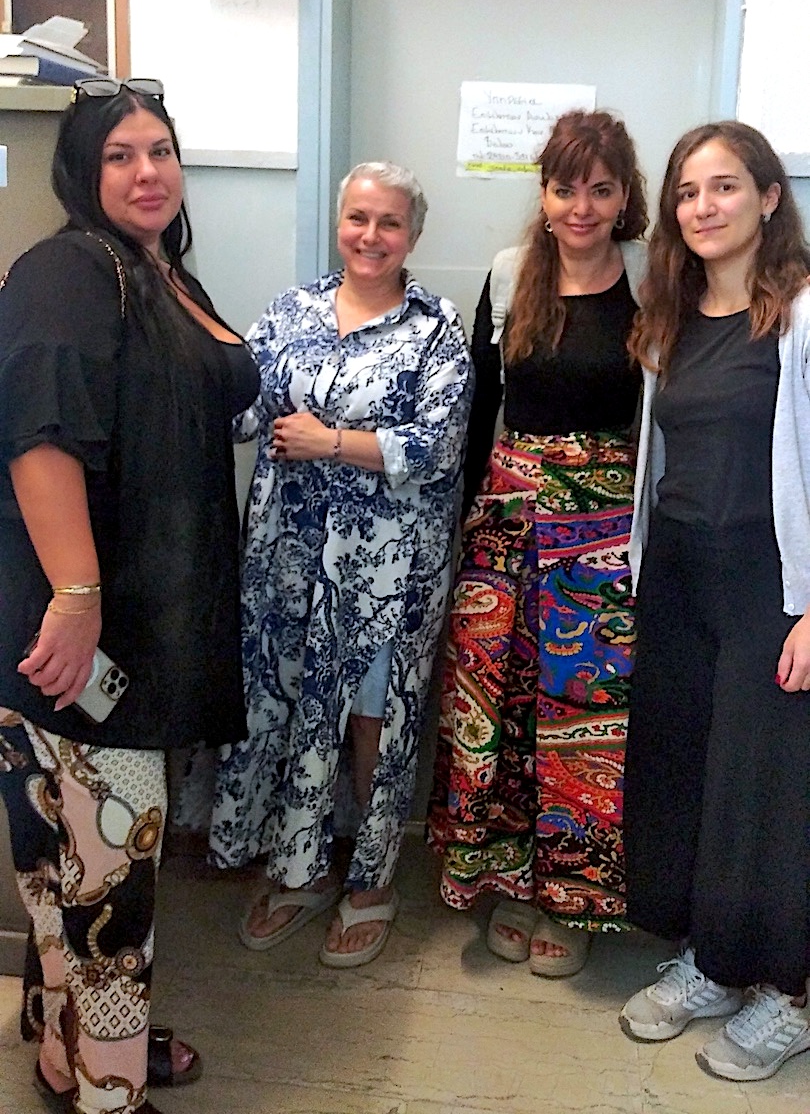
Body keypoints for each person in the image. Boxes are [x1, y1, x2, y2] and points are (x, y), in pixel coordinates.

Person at [0, 77, 259, 1114]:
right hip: (82, 636)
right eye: (120, 156)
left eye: (161, 151)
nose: (148, 172)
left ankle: (71, 1049)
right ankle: (111, 1092)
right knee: (112, 873)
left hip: (126, 622)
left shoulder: (155, 269)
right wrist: (76, 595)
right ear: (82, 172)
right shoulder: (69, 268)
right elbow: (38, 434)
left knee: (72, 862)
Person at [209, 161, 472, 967]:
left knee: (370, 717)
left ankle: (371, 881)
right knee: (289, 703)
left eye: (389, 222)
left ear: (412, 235)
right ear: (339, 223)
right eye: (359, 217)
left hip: (385, 573)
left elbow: (436, 448)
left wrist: (331, 442)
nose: (371, 235)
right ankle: (303, 868)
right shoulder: (291, 311)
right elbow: (241, 412)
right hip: (287, 559)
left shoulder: (436, 328)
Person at [427, 109, 647, 977]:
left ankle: (574, 898)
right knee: (502, 714)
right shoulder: (511, 271)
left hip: (603, 538)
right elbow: (483, 406)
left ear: (625, 197)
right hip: (507, 526)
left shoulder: (652, 279)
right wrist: (464, 524)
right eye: (564, 188)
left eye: (600, 189)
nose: (581, 207)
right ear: (544, 193)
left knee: (584, 721)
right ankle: (510, 883)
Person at [619, 120, 810, 1081]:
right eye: (688, 192)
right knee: (689, 775)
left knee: (764, 792)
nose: (704, 207)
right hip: (681, 578)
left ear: (769, 198)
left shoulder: (803, 315)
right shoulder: (672, 317)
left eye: (725, 186)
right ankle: (716, 963)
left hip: (770, 587)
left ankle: (787, 991)